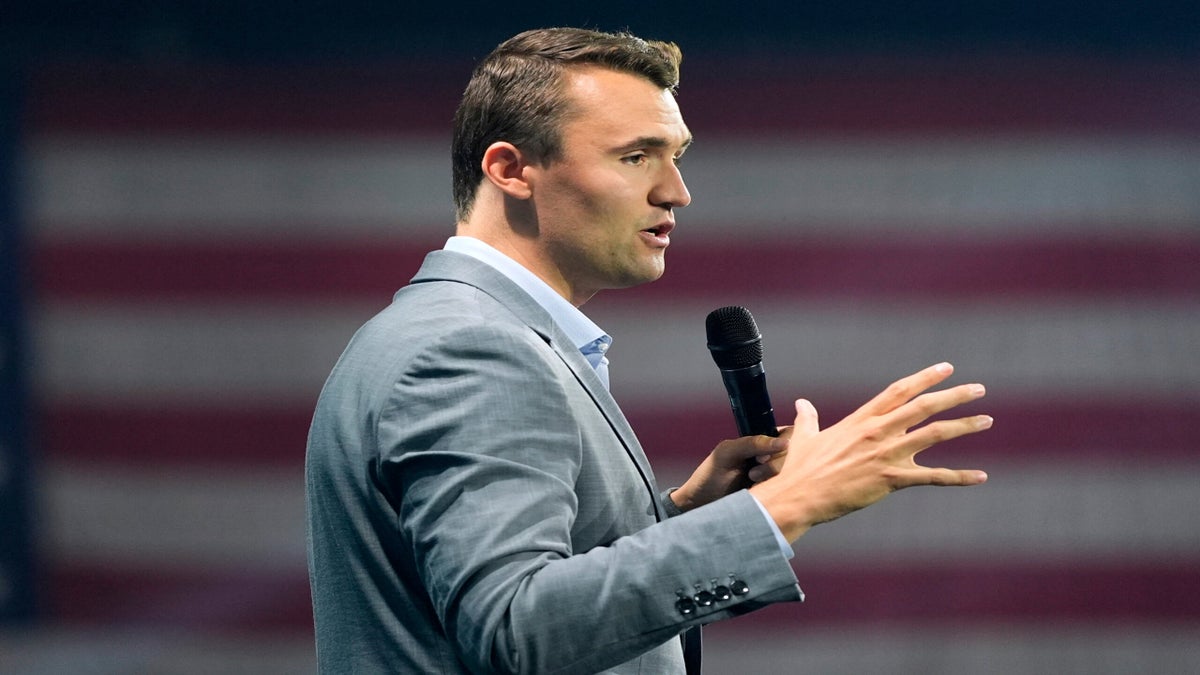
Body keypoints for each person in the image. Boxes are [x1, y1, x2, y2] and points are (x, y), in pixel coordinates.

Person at [305, 26, 992, 674]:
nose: (676, 192)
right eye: (636, 157)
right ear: (511, 169)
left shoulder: (459, 330)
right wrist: (788, 505)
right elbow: (516, 628)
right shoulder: (474, 350)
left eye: (676, 157)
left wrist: (687, 515)